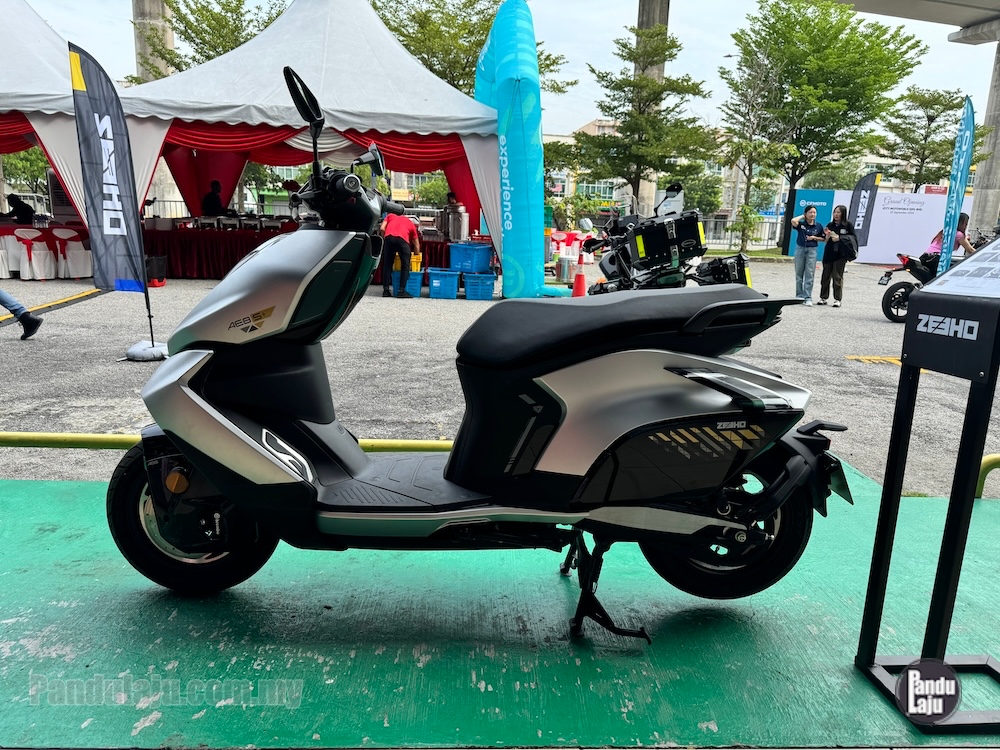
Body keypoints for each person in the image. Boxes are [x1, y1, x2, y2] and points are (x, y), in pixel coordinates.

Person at [818, 205, 855, 308]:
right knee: (825, 276)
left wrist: (840, 238)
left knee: (837, 277)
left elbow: (853, 238)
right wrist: (828, 235)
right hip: (829, 253)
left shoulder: (848, 225)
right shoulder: (830, 225)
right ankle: (823, 297)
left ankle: (837, 299)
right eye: (835, 212)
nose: (836, 214)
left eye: (838, 212)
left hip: (840, 255)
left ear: (843, 213)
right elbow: (825, 241)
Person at [790, 205, 825, 305]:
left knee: (810, 274)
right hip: (800, 249)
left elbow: (823, 238)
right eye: (810, 212)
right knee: (799, 274)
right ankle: (799, 296)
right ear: (806, 214)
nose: (812, 214)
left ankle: (808, 297)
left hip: (812, 250)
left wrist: (814, 238)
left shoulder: (818, 226)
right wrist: (803, 216)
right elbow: (793, 221)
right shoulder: (801, 225)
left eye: (814, 212)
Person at [380, 211, 421, 298]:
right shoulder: (410, 224)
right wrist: (416, 255)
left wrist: (385, 238)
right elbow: (417, 246)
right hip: (402, 241)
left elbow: (382, 228)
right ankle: (401, 291)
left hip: (389, 238)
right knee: (405, 265)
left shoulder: (390, 216)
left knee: (387, 264)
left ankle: (386, 290)